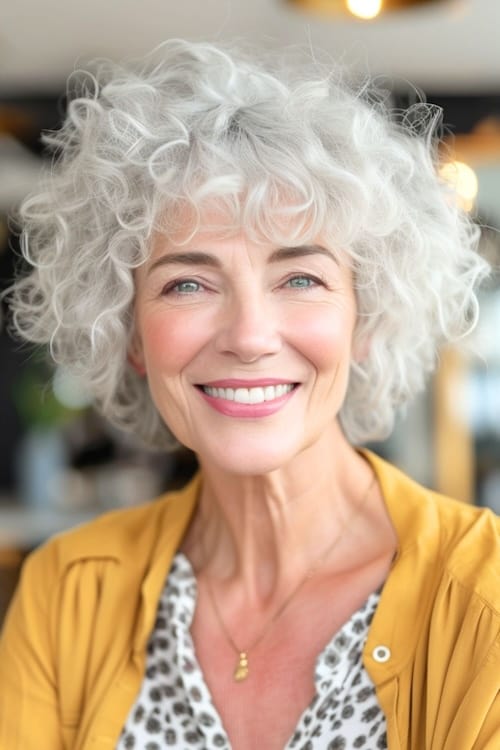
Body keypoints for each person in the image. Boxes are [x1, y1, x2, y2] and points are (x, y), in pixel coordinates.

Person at [0, 40, 498, 750]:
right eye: (188, 283)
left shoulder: (485, 600)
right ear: (130, 332)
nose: (249, 335)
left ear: (367, 317)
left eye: (300, 278)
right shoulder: (67, 591)